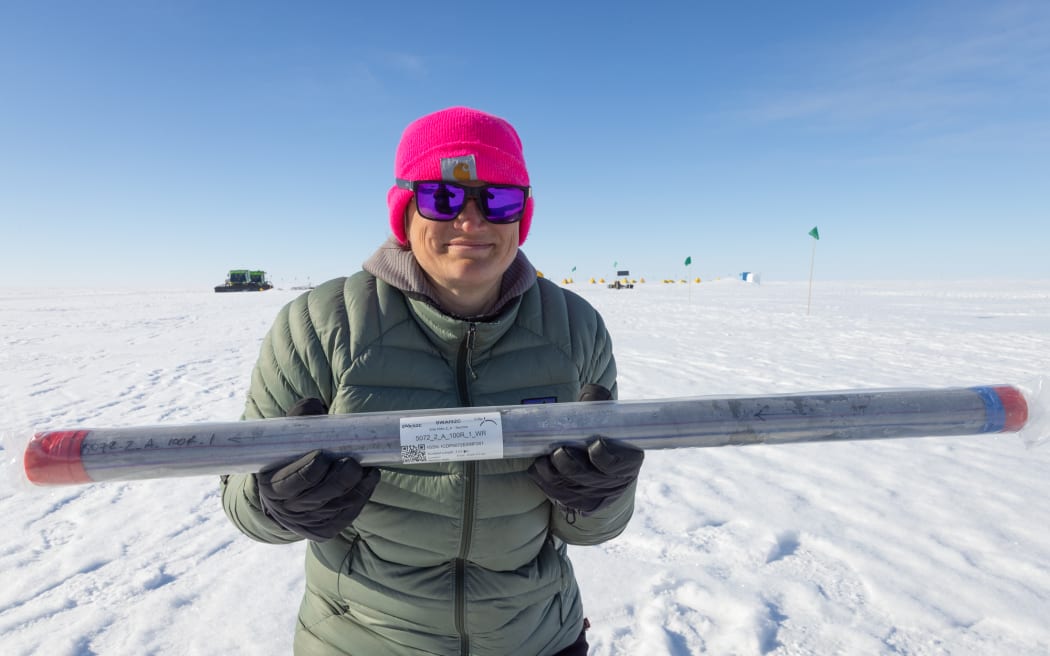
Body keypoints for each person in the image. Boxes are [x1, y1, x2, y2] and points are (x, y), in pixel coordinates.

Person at [221, 106, 643, 656]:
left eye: (499, 199)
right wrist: (277, 502)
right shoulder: (321, 325)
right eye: (441, 198)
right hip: (364, 640)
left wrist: (602, 496)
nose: (472, 221)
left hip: (537, 640)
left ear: (522, 214)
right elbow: (240, 502)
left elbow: (586, 530)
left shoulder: (574, 327)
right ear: (404, 211)